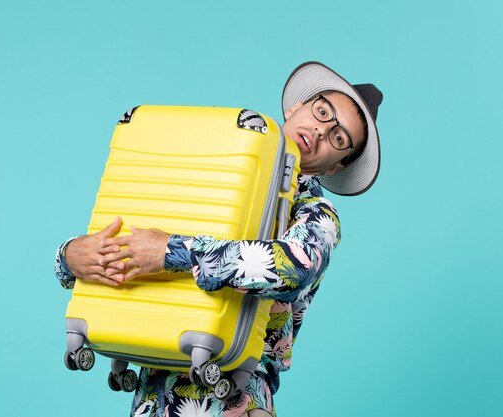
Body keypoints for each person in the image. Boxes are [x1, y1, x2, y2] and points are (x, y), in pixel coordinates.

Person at [54, 61, 384, 417]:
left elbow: (293, 267)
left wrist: (171, 252)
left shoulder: (317, 214)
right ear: (295, 107)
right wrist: (70, 256)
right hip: (152, 394)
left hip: (231, 399)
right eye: (321, 111)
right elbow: (136, 228)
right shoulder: (214, 166)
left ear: (337, 166)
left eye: (338, 138)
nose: (320, 131)